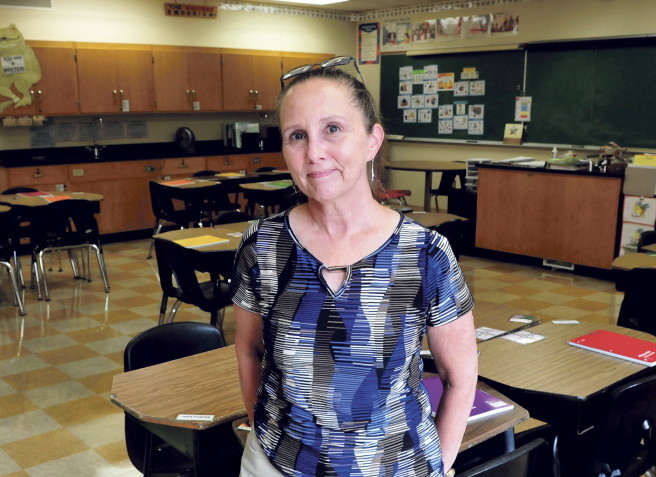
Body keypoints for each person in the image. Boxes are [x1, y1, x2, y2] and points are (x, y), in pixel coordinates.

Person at [232, 56, 478, 477]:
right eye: (296, 135)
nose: (314, 153)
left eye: (333, 129)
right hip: (276, 464)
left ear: (372, 140)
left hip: (398, 466)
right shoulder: (263, 245)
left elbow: (460, 377)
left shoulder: (426, 254)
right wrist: (263, 431)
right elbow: (249, 350)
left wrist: (442, 461)